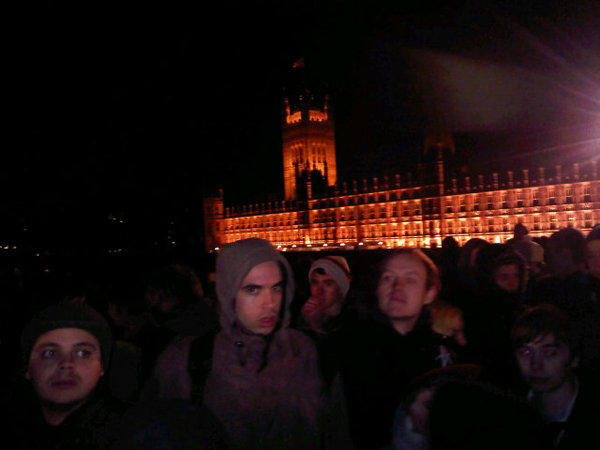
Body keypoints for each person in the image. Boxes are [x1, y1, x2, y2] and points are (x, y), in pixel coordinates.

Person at [201, 238, 323, 449]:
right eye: (253, 290)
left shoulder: (304, 350)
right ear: (228, 293)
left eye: (276, 288)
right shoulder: (193, 360)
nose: (270, 304)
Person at [339, 248, 457, 450]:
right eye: (388, 278)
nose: (397, 287)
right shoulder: (344, 350)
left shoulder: (445, 357)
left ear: (429, 293)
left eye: (410, 280)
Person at [14, 302, 123, 449]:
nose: (66, 364)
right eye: (50, 353)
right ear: (27, 368)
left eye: (83, 353)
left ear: (101, 367)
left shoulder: (134, 435)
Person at [511, 304, 600, 449]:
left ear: (574, 358)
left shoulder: (593, 412)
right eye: (525, 352)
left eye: (549, 353)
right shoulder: (507, 411)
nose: (536, 365)